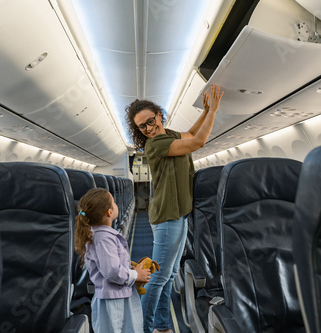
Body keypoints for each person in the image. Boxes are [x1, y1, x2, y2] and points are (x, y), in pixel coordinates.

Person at [125, 85, 224, 333]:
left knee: (168, 276)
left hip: (178, 214)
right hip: (167, 216)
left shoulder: (167, 134)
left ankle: (161, 324)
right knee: (158, 277)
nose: (148, 128)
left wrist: (205, 111)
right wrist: (214, 110)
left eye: (150, 121)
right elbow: (198, 142)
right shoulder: (155, 145)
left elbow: (191, 132)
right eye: (142, 126)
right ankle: (145, 328)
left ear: (159, 115)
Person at [74, 188, 152, 333]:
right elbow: (112, 271)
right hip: (113, 301)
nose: (116, 205)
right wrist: (136, 275)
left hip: (119, 295)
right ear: (109, 212)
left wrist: (130, 270)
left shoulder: (100, 235)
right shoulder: (103, 239)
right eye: (114, 203)